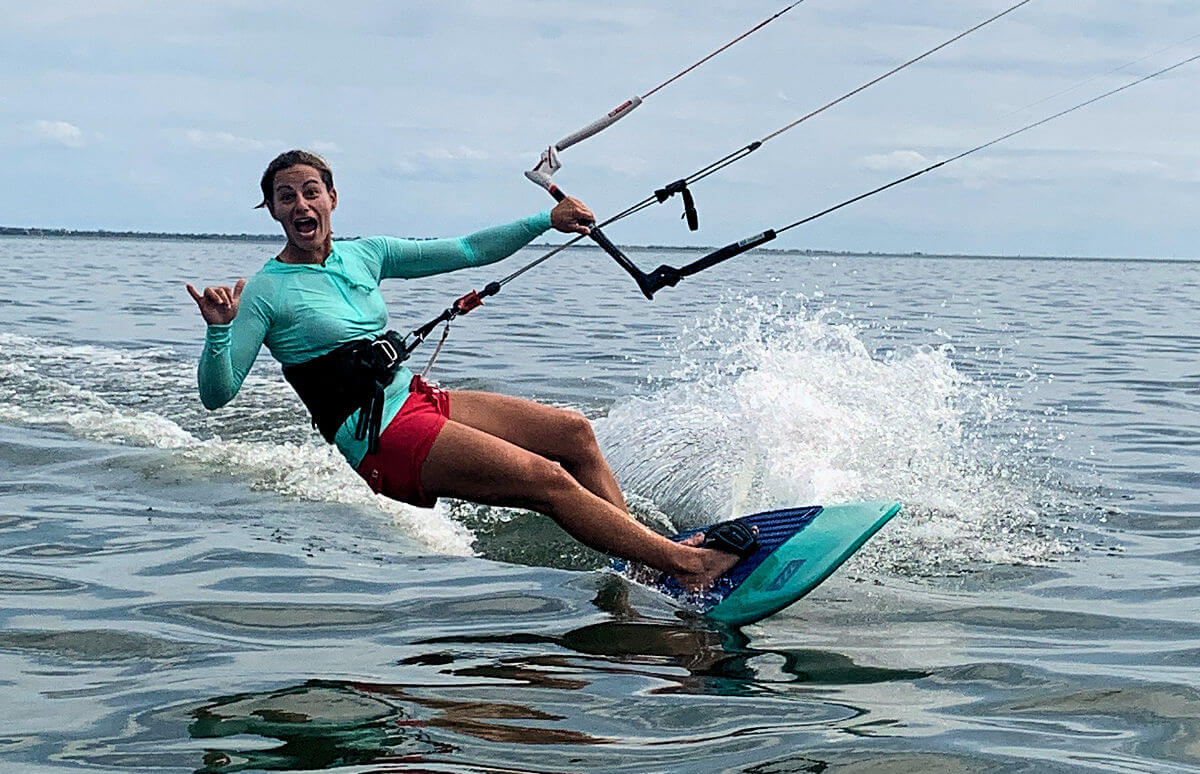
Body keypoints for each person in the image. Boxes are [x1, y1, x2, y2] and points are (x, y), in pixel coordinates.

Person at [187, 150, 755, 591]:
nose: (301, 205)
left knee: (573, 433)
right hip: (377, 436)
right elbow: (218, 394)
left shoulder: (366, 254)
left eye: (311, 191)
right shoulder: (265, 291)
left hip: (413, 399)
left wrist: (546, 219)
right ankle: (685, 562)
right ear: (274, 210)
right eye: (285, 197)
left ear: (332, 197)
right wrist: (218, 329)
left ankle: (642, 560)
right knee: (548, 482)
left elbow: (465, 249)